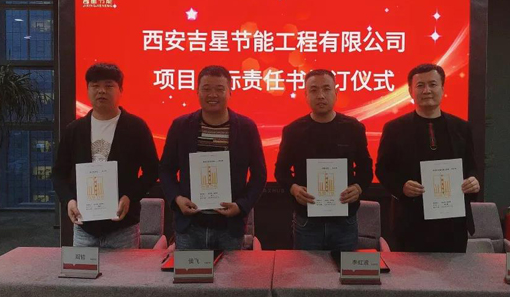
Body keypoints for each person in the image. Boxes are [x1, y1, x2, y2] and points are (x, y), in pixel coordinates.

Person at [52, 63, 159, 248]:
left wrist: (130, 196)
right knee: (82, 268)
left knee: (124, 269)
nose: (101, 91)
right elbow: (59, 174)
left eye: (109, 86)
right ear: (87, 90)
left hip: (123, 227)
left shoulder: (136, 127)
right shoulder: (74, 130)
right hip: (84, 227)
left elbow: (152, 171)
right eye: (95, 86)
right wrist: (68, 200)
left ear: (120, 90)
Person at [160, 65, 266, 250]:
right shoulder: (181, 126)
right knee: (189, 270)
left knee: (229, 271)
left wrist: (241, 206)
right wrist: (177, 198)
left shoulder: (246, 128)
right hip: (190, 227)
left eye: (219, 89)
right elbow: (166, 170)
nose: (212, 95)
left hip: (229, 228)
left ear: (230, 92)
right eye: (206, 89)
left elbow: (259, 175)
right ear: (197, 91)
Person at [376, 63, 480, 252]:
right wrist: (401, 187)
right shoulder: (394, 128)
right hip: (410, 222)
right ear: (410, 91)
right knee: (409, 271)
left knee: (454, 270)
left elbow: (471, 166)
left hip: (453, 223)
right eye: (420, 85)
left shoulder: (461, 127)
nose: (427, 91)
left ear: (443, 88)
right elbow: (382, 169)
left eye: (432, 84)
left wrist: (473, 180)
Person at [275, 69, 373, 250]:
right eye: (313, 90)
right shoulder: (293, 131)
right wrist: (294, 189)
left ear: (336, 93)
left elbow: (366, 168)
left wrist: (358, 187)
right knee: (307, 268)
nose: (320, 95)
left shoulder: (353, 128)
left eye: (326, 89)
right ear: (305, 95)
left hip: (344, 220)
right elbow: (280, 171)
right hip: (307, 221)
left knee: (345, 268)